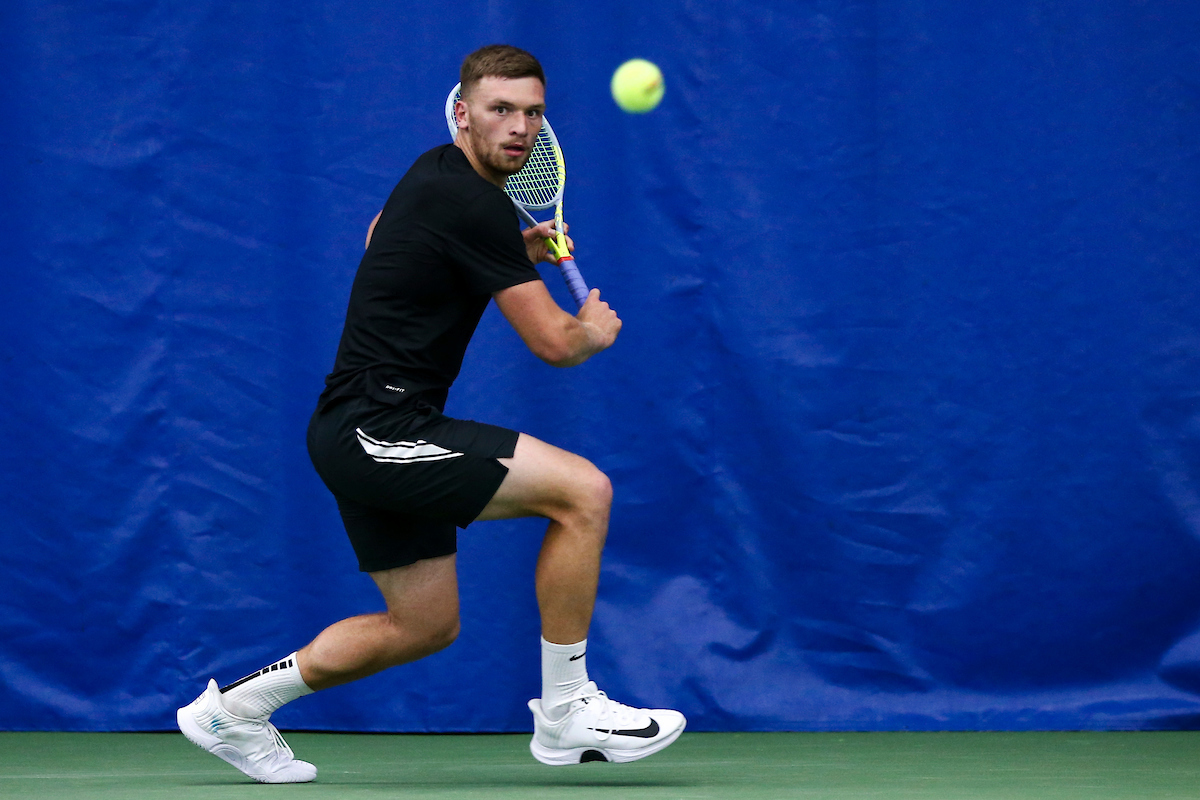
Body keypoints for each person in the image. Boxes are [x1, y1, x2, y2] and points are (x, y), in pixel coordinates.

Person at [176, 44, 685, 784]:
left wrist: (510, 250)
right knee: (584, 493)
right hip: (378, 429)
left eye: (533, 113)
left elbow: (384, 236)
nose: (519, 127)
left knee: (423, 627)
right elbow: (553, 344)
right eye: (500, 110)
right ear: (463, 113)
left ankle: (232, 712)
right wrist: (592, 333)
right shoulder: (474, 201)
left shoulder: (434, 175)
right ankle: (568, 708)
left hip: (352, 427)